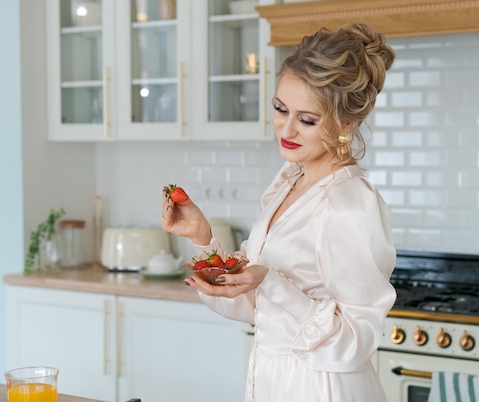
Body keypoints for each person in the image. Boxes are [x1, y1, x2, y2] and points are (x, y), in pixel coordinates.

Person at [161, 22, 397, 402]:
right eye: (280, 109)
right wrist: (203, 239)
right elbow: (260, 308)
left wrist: (270, 282)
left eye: (307, 119)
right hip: (271, 380)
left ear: (346, 123)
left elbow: (355, 342)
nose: (286, 129)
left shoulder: (350, 202)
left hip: (322, 388)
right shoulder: (288, 181)